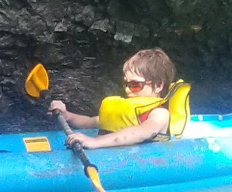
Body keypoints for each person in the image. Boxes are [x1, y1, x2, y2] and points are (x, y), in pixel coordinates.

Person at [49, 48, 184, 150]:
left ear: (158, 85)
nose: (127, 89)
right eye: (126, 83)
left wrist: (95, 142)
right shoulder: (125, 110)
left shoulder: (159, 114)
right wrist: (67, 115)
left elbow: (142, 132)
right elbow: (90, 122)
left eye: (135, 85)